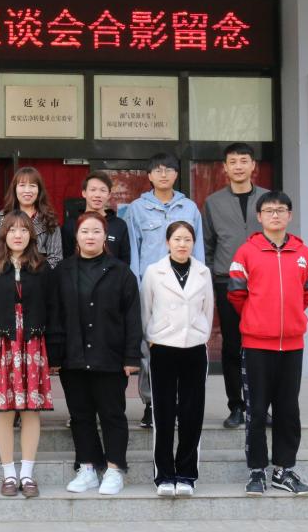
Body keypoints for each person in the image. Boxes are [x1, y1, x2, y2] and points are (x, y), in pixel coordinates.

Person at [228, 191, 308, 497]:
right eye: (269, 210)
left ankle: (284, 470)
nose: (275, 215)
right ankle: (256, 471)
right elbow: (236, 294)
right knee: (256, 410)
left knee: (288, 410)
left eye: (281, 210)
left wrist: (289, 318)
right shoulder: (246, 252)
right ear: (260, 216)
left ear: (289, 215)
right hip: (257, 345)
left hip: (292, 345)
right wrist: (258, 319)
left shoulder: (303, 252)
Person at [0, 210, 62, 499]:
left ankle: (27, 473)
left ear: (31, 235)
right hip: (2, 346)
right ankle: (9, 474)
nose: (18, 235)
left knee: (31, 410)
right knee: (5, 410)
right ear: (3, 234)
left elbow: (53, 309)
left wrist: (54, 352)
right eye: (12, 230)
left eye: (24, 230)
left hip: (33, 346)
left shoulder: (42, 267)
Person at [58, 212, 141, 496]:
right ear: (76, 236)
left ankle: (115, 468)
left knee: (112, 414)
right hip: (73, 356)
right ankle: (88, 468)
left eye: (96, 231)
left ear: (105, 236)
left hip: (110, 356)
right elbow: (56, 315)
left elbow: (133, 317)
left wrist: (132, 357)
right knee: (80, 415)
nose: (90, 236)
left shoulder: (121, 272)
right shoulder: (63, 271)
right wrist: (56, 356)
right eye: (85, 231)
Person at [125, 153, 204, 429]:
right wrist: (136, 288)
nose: (163, 174)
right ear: (149, 176)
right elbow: (133, 250)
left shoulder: (189, 208)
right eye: (157, 170)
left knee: (184, 346)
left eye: (168, 169)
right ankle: (152, 403)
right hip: (151, 290)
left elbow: (199, 249)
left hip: (184, 290)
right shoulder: (137, 209)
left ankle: (180, 402)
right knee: (150, 349)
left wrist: (199, 286)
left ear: (176, 174)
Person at [141, 221, 213, 497]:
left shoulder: (203, 272)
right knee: (163, 412)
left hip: (194, 348)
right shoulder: (153, 272)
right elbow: (146, 310)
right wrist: (153, 338)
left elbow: (208, 310)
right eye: (177, 239)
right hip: (163, 348)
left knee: (192, 412)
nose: (182, 244)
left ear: (193, 243)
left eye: (187, 239)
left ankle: (186, 474)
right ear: (167, 242)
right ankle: (164, 475)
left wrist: (200, 334)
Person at [203, 143, 269, 429]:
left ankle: (260, 406)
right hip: (227, 281)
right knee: (232, 346)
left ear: (253, 165)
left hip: (263, 282)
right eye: (233, 161)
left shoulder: (268, 199)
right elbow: (207, 245)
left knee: (262, 346)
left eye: (244, 161)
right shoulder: (213, 202)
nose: (239, 166)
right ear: (225, 168)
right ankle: (236, 406)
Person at [0, 166, 62, 269]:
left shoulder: (49, 219)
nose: (27, 190)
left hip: (39, 276)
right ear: (15, 189)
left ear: (39, 190)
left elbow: (56, 259)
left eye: (32, 186)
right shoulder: (3, 217)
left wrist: (31, 273)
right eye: (22, 185)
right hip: (7, 274)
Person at [62, 171, 130, 265]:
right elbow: (66, 261)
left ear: (109, 195)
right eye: (93, 190)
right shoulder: (71, 225)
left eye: (103, 190)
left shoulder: (119, 225)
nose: (97, 195)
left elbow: (125, 262)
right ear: (84, 193)